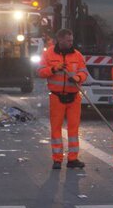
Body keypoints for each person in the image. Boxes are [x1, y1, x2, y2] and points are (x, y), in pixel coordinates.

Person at [38, 29, 89, 170]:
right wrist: (54, 69)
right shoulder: (48, 54)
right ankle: (57, 159)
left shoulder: (77, 55)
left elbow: (84, 72)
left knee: (73, 128)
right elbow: (40, 72)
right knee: (56, 128)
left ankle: (73, 159)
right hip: (57, 97)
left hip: (74, 97)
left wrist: (77, 78)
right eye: (68, 40)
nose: (71, 43)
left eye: (72, 40)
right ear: (60, 40)